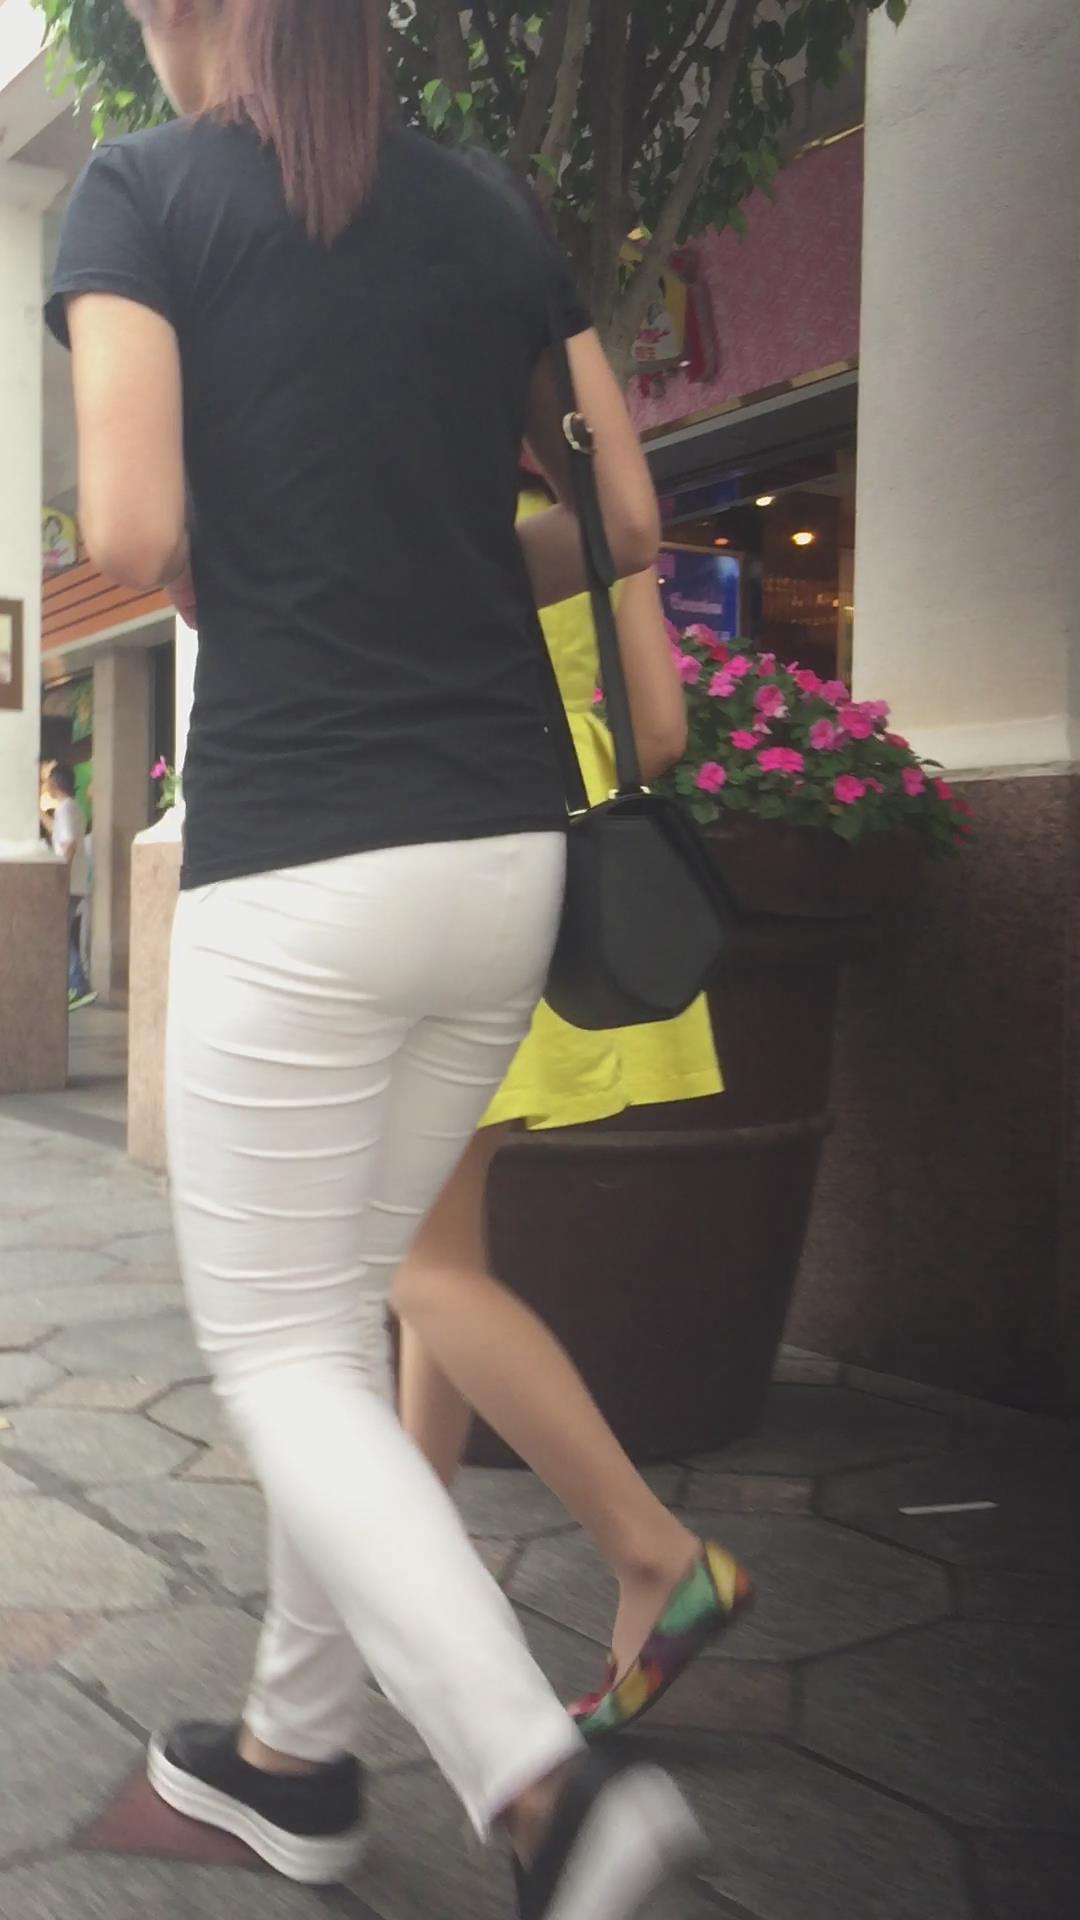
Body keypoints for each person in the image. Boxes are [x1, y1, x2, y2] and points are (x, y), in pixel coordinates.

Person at [48, 3, 710, 1912]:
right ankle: (296, 1751)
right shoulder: (489, 205)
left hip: (307, 859)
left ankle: (546, 1790)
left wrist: (273, 561)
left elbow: (135, 524)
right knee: (333, 1321)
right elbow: (628, 517)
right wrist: (435, 560)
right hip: (501, 860)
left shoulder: (140, 194)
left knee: (276, 1346)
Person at [398, 472, 750, 1738]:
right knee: (441, 1249)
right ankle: (409, 1563)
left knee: (416, 1260)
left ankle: (654, 1554)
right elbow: (656, 734)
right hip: (554, 891)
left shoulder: (419, 514)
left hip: (448, 876)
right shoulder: (586, 519)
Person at [48, 763, 96, 1011]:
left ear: (54, 784)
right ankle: (77, 983)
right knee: (65, 932)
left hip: (67, 883)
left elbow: (69, 845)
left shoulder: (64, 809)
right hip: (77, 882)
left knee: (61, 934)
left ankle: (77, 985)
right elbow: (63, 835)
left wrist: (60, 874)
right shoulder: (74, 808)